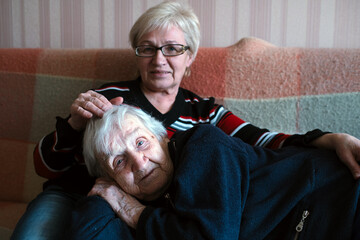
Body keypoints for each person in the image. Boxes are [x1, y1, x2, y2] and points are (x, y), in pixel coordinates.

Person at [11, 2, 360, 240]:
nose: (159, 59)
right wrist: (73, 124)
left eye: (172, 49)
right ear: (137, 54)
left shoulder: (204, 113)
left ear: (189, 56)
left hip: (149, 202)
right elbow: (46, 166)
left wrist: (326, 139)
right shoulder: (109, 96)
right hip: (75, 191)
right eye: (147, 48)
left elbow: (262, 141)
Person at [68, 104, 360, 239]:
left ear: (163, 137)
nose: (139, 162)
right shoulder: (152, 201)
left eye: (141, 142)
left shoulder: (202, 144)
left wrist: (130, 209)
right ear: (110, 179)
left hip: (339, 201)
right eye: (119, 162)